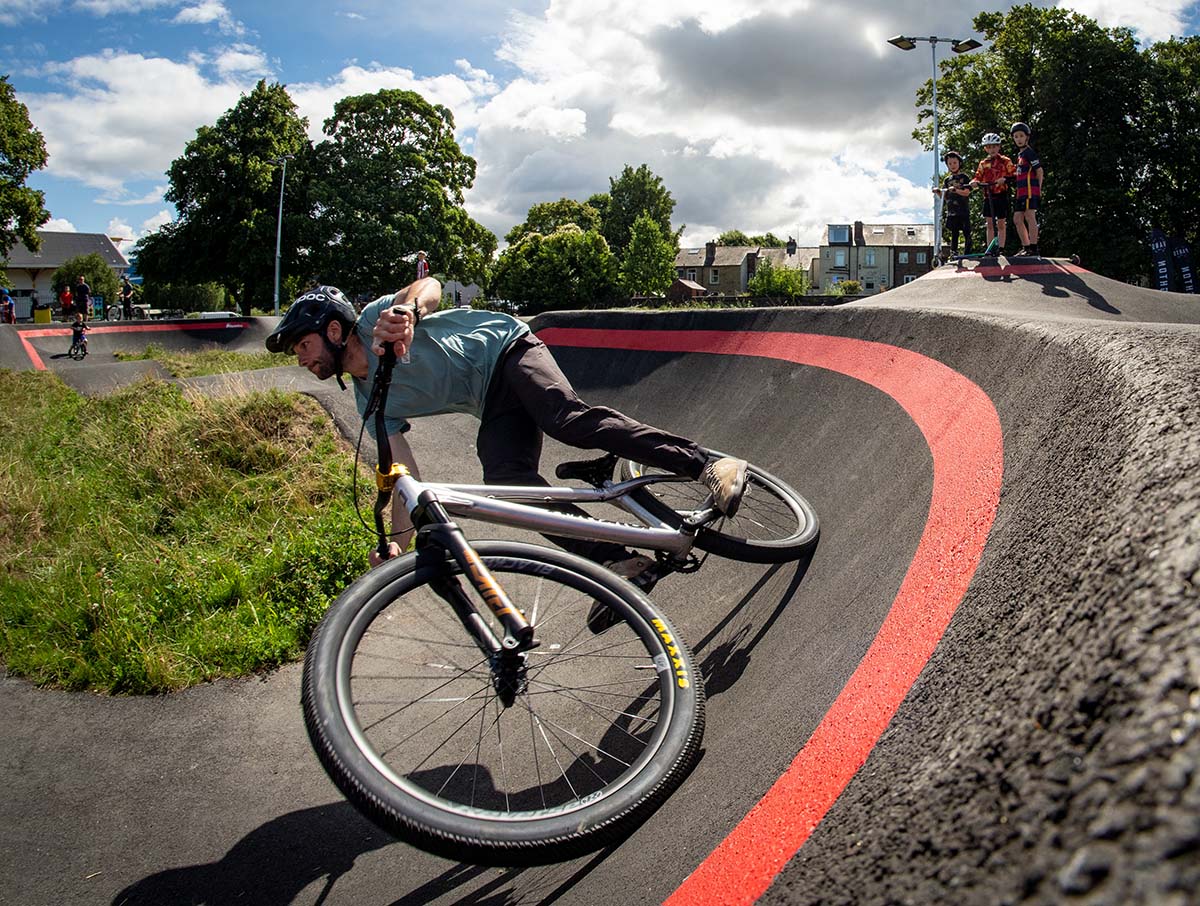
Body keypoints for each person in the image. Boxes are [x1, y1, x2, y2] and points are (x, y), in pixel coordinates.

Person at [265, 280, 749, 582]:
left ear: (333, 331)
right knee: (508, 482)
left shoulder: (376, 322)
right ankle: (617, 561)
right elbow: (403, 475)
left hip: (507, 348)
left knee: (566, 420)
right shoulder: (368, 402)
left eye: (304, 345)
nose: (303, 360)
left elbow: (427, 286)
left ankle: (707, 464)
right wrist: (399, 544)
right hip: (491, 402)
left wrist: (410, 313)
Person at [969, 132, 1016, 251]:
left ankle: (1001, 248)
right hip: (988, 196)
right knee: (989, 223)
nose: (992, 149)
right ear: (985, 149)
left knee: (1001, 223)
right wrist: (974, 182)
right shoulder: (983, 163)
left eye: (994, 146)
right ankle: (989, 249)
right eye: (989, 147)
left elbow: (1015, 174)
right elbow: (978, 176)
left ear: (999, 146)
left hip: (1001, 194)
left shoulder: (1005, 161)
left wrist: (1005, 179)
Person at [1009, 122, 1045, 257]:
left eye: (1021, 136)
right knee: (1017, 219)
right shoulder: (1020, 155)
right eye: (1016, 136)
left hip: (1030, 190)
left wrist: (1039, 189)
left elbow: (1039, 171)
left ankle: (1034, 247)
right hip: (1021, 192)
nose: (1018, 139)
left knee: (1030, 216)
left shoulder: (1029, 153)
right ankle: (1026, 246)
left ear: (1027, 137)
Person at [934, 151, 973, 255]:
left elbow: (967, 192)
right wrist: (938, 192)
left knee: (966, 232)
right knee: (954, 233)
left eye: (955, 163)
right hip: (952, 212)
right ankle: (954, 251)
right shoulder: (947, 180)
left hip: (963, 210)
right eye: (950, 164)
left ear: (959, 163)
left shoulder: (964, 177)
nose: (953, 166)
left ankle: (967, 252)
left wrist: (956, 190)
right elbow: (945, 197)